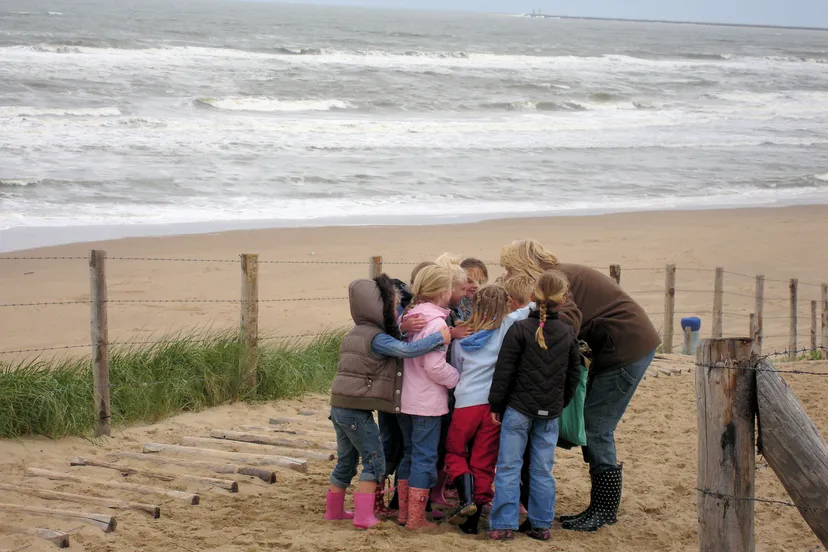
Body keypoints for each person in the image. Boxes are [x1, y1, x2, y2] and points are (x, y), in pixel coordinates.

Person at [500, 239, 661, 532]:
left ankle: (604, 508)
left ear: (524, 265)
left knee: (597, 426)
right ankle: (600, 505)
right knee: (592, 424)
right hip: (620, 347)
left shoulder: (559, 280)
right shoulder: (561, 274)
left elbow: (569, 318)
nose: (508, 277)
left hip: (626, 349)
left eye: (509, 269)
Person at [326, 274, 451, 529]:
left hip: (339, 407)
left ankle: (334, 510)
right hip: (355, 412)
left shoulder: (354, 333)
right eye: (393, 307)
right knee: (374, 460)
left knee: (346, 461)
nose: (396, 311)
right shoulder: (376, 337)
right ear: (377, 309)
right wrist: (439, 338)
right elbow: (406, 351)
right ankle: (364, 516)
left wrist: (403, 329)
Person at [487, 270, 582, 541]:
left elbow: (504, 371)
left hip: (518, 408)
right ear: (561, 300)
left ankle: (504, 523)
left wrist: (496, 404)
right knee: (542, 468)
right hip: (549, 411)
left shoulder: (519, 329)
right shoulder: (566, 332)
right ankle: (540, 524)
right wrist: (560, 402)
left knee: (508, 465)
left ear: (532, 297)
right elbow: (573, 375)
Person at [444, 285, 531, 535]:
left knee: (455, 450)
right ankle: (475, 515)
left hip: (466, 403)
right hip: (493, 405)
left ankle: (466, 500)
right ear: (505, 305)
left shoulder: (462, 337)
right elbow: (524, 311)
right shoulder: (506, 330)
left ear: (476, 305)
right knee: (484, 461)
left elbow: (457, 369)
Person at [397, 264, 461, 530]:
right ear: (444, 291)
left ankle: (403, 513)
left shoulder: (412, 316)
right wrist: (457, 378)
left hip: (405, 399)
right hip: (426, 403)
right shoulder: (436, 322)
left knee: (409, 454)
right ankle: (415, 519)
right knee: (425, 457)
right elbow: (434, 366)